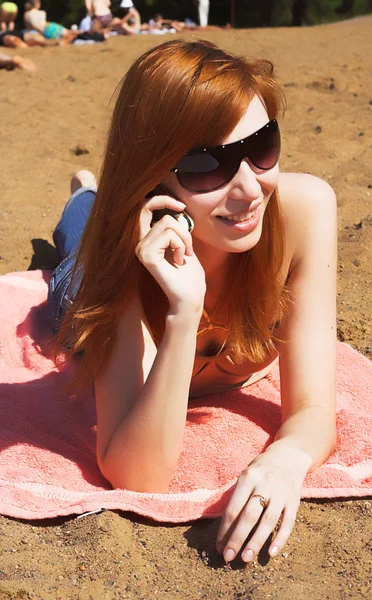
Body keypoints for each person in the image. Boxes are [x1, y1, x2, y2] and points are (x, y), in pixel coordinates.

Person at [49, 40, 337, 564]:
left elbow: (315, 410)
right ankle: (83, 197)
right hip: (89, 280)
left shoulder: (304, 211)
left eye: (263, 145)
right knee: (73, 256)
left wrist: (286, 458)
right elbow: (138, 475)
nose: (250, 188)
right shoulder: (127, 263)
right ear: (153, 173)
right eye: (207, 165)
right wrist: (183, 315)